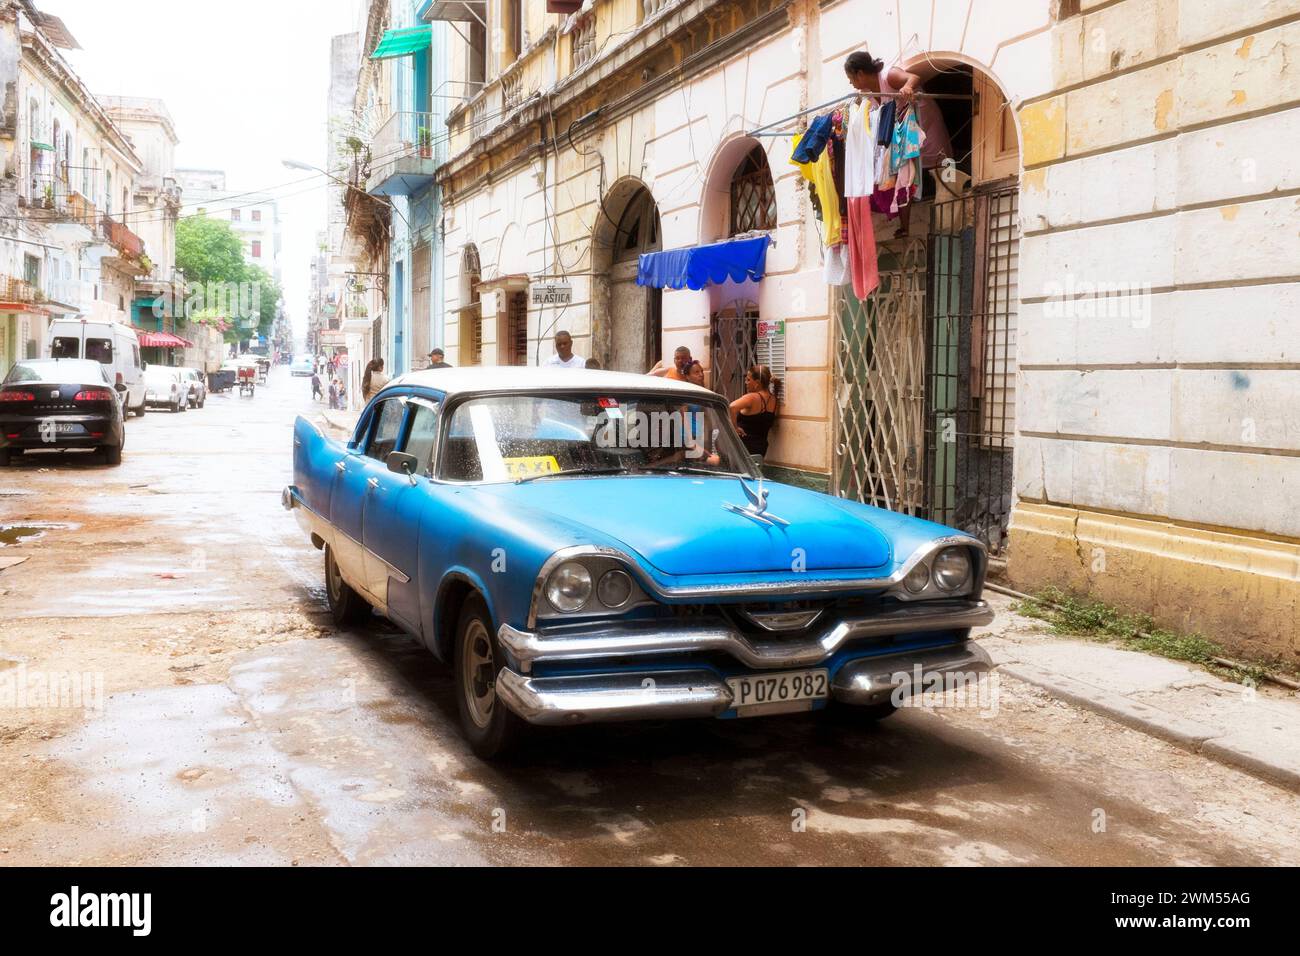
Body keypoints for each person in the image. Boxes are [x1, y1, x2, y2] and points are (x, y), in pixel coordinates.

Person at [843, 50, 951, 170]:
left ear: (860, 74)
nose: (849, 82)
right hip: (904, 133)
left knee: (939, 163)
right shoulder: (865, 92)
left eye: (850, 78)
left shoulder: (889, 75)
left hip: (924, 122)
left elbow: (913, 77)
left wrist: (907, 87)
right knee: (912, 171)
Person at [730, 365, 779, 460]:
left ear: (757, 383)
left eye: (748, 380)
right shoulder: (774, 400)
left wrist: (735, 428)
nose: (745, 383)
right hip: (760, 449)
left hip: (743, 447)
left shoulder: (752, 397)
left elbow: (732, 407)